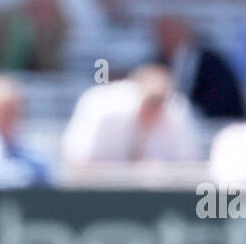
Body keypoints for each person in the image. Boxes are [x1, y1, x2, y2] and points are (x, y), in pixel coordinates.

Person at [61, 64, 202, 171]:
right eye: (150, 102)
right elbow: (78, 162)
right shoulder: (103, 108)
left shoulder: (176, 112)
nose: (153, 111)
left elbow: (189, 166)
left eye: (160, 104)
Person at [152, 14, 246, 119]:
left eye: (168, 33)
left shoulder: (212, 64)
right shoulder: (156, 63)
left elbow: (223, 100)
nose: (163, 38)